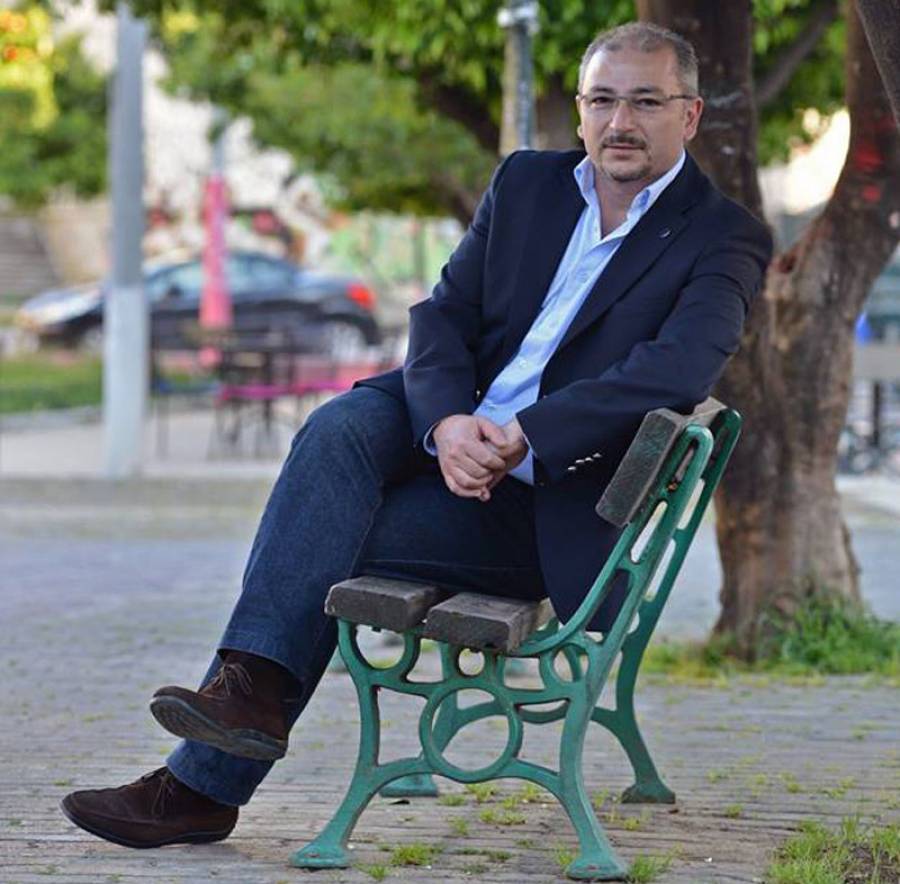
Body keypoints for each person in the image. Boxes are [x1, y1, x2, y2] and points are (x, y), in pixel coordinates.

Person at [61, 22, 772, 849]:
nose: (620, 122)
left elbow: (674, 371)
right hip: (450, 432)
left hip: (542, 508)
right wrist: (445, 423)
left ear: (689, 114)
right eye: (603, 100)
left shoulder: (723, 235)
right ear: (581, 110)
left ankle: (204, 776)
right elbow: (444, 314)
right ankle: (242, 699)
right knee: (339, 427)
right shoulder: (528, 183)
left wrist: (525, 434)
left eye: (645, 102)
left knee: (323, 528)